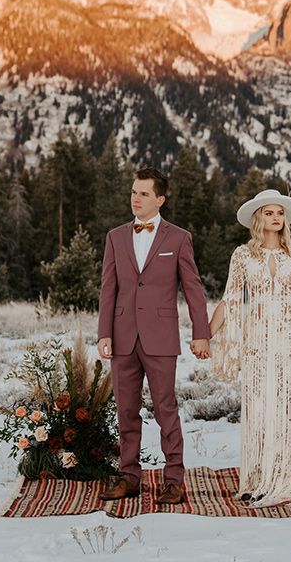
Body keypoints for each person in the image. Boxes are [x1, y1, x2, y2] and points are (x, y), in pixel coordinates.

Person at [210, 189, 291, 506]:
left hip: (290, 342)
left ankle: (286, 480)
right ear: (258, 218)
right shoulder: (242, 256)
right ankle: (255, 480)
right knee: (259, 409)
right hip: (256, 343)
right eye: (269, 213)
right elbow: (231, 299)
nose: (276, 218)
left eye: (280, 213)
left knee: (286, 410)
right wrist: (204, 333)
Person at [97, 167, 211, 505]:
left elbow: (193, 288)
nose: (136, 198)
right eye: (134, 191)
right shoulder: (115, 237)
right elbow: (108, 289)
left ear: (160, 199)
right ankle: (129, 477)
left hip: (161, 337)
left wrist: (201, 333)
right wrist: (105, 332)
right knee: (126, 410)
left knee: (165, 409)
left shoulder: (178, 238)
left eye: (144, 193)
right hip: (122, 338)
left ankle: (173, 480)